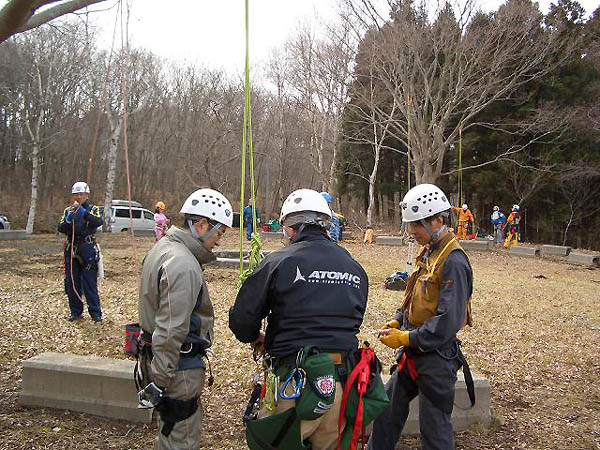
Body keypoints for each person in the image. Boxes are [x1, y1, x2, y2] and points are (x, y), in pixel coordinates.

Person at [229, 188, 373, 450]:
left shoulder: (278, 262)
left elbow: (242, 319)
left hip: (293, 383)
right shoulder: (355, 269)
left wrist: (255, 337)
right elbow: (354, 318)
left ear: (289, 229)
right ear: (326, 225)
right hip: (341, 383)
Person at [368, 183, 473, 450]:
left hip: (436, 358)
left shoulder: (454, 261)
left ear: (438, 221)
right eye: (410, 224)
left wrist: (406, 337)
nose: (412, 230)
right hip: (413, 353)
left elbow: (448, 321)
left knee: (434, 428)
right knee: (386, 410)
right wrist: (398, 320)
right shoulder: (428, 251)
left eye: (417, 224)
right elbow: (414, 297)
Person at [137, 188, 233, 450]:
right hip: (178, 368)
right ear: (201, 225)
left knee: (170, 432)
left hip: (162, 361)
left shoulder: (164, 248)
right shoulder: (182, 264)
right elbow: (171, 329)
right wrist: (160, 381)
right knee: (181, 437)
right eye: (219, 233)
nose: (219, 241)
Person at [57, 181, 103, 323]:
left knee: (89, 283)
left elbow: (98, 222)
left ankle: (95, 314)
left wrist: (84, 214)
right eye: (75, 194)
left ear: (86, 195)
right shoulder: (68, 210)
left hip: (87, 248)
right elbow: (60, 228)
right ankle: (76, 312)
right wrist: (68, 220)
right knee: (72, 283)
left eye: (80, 194)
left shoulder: (93, 209)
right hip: (72, 248)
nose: (78, 197)